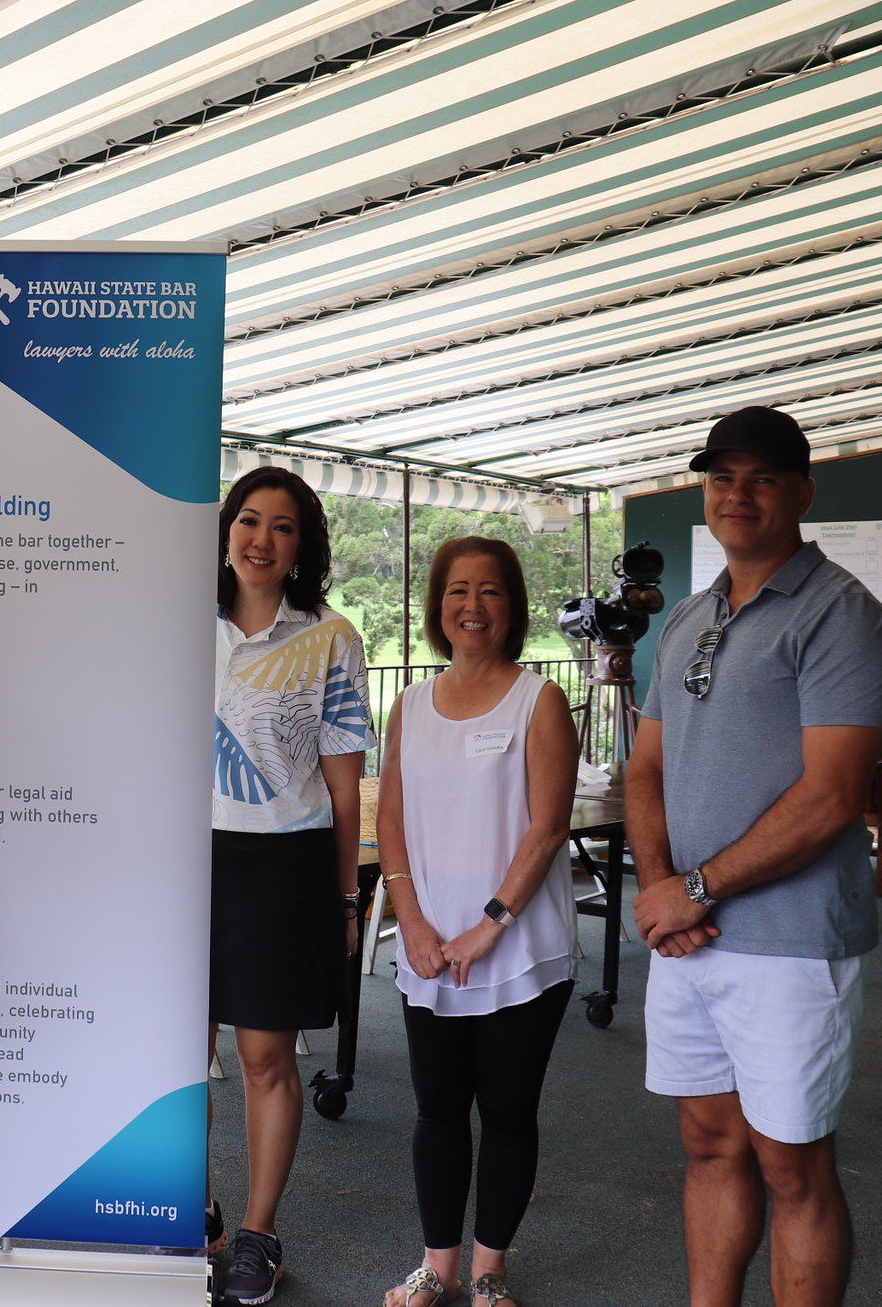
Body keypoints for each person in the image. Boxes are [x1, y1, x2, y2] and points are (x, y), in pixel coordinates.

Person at [628, 405, 882, 1307]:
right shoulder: (689, 618)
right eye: (721, 478)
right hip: (690, 942)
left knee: (792, 1166)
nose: (736, 495)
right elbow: (646, 767)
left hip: (789, 942)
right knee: (708, 1145)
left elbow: (829, 796)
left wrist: (694, 887)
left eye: (761, 478)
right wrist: (662, 888)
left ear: (802, 494)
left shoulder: (842, 614)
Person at [376, 537, 580, 1307]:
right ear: (438, 607)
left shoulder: (539, 699)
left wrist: (488, 925)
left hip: (519, 949)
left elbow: (548, 827)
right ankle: (439, 1266)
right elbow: (391, 817)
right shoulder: (410, 705)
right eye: (458, 590)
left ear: (513, 606)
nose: (472, 605)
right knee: (435, 1108)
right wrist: (416, 923)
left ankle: (490, 1270)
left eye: (490, 591)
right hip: (429, 951)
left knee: (505, 1111)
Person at [210, 465, 375, 1307]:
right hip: (178, 861)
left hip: (281, 864)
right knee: (173, 1052)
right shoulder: (174, 621)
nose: (261, 539)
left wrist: (346, 898)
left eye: (282, 526)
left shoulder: (332, 637)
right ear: (226, 528)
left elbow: (346, 788)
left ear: (302, 544)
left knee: (263, 1056)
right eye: (248, 519)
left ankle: (258, 1231)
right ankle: (190, 1216)